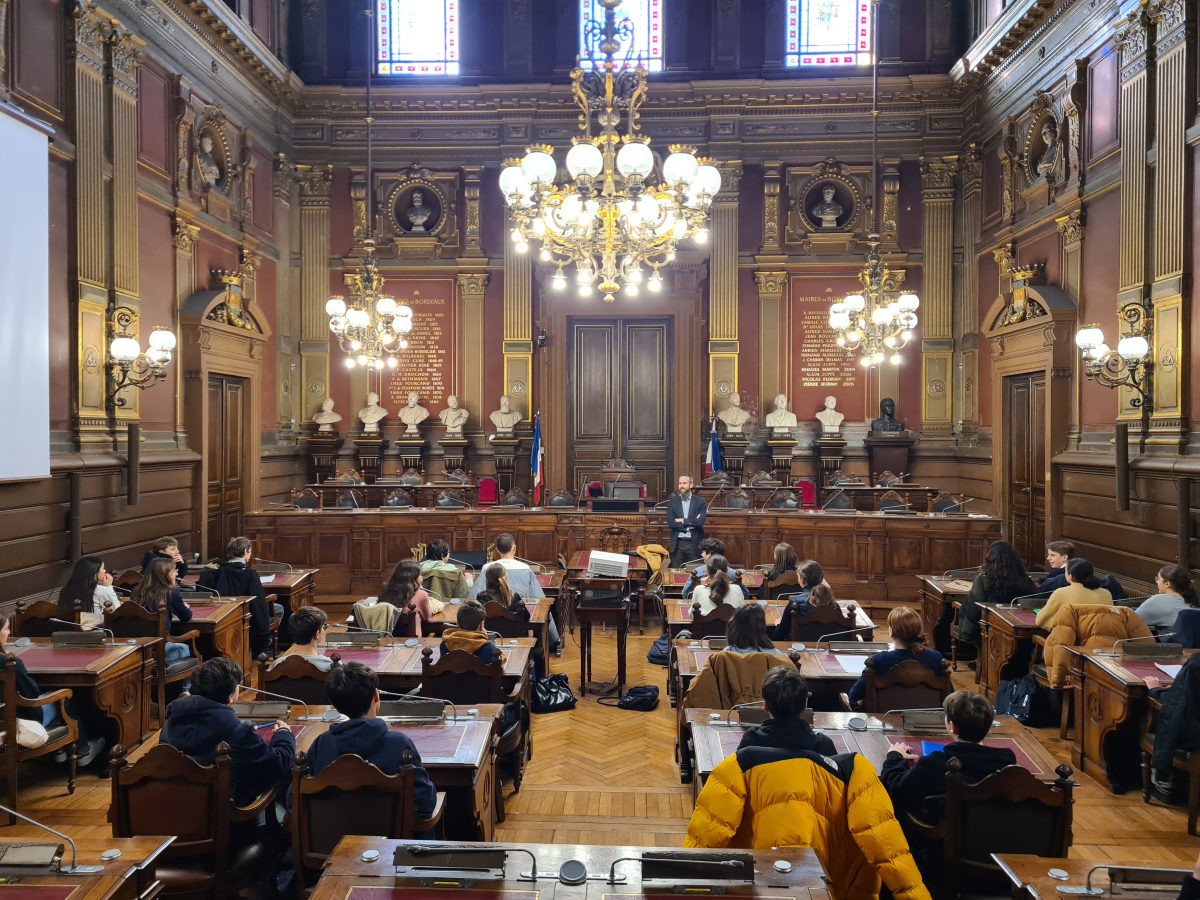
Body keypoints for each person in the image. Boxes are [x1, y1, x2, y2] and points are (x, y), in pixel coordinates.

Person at [685, 667, 929, 900]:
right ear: (805, 706)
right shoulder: (836, 759)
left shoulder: (744, 757)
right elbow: (887, 845)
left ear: (765, 706)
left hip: (759, 872)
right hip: (827, 872)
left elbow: (708, 833)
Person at [162, 657, 295, 806]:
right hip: (228, 819)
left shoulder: (170, 723)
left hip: (175, 812)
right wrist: (283, 734)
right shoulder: (237, 731)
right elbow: (279, 765)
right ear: (230, 696)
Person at [306, 662, 436, 810]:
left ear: (335, 706)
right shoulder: (400, 745)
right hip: (390, 834)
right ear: (375, 695)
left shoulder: (321, 745)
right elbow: (425, 803)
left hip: (330, 833)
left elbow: (295, 800)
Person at [880, 691, 1016, 825]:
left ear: (952, 726)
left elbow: (897, 787)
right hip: (989, 835)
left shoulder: (937, 762)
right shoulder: (1005, 760)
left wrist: (894, 756)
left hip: (939, 840)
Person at [0, 612, 105, 765]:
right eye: (6, 628)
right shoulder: (10, 663)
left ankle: (60, 750)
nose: (9, 633)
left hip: (2, 716)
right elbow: (32, 695)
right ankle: (83, 750)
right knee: (66, 696)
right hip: (24, 720)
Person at [467, 533, 560, 652]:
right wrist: (554, 640)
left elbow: (472, 599)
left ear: (497, 550)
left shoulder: (488, 568)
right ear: (514, 548)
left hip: (489, 636)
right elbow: (541, 601)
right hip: (517, 633)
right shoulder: (525, 569)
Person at [847, 607, 944, 708]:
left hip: (886, 721)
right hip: (927, 721)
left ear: (891, 631)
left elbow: (853, 698)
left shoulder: (878, 661)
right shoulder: (936, 657)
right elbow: (948, 696)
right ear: (919, 631)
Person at [197, 536, 275, 658]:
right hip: (245, 620)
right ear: (245, 552)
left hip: (220, 617)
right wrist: (264, 633)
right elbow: (258, 604)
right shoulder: (250, 575)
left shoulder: (214, 572)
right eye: (250, 552)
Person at [954, 541, 1037, 644]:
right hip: (1020, 633)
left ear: (990, 559)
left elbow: (973, 609)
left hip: (988, 632)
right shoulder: (1026, 581)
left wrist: (967, 632)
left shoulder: (983, 580)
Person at [134, 558, 194, 663]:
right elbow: (186, 617)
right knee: (190, 647)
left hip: (139, 648)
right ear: (165, 574)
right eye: (174, 571)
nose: (176, 574)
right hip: (162, 648)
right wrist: (183, 606)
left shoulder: (136, 591)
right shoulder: (170, 592)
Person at [1034, 557, 1113, 628]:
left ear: (1070, 576)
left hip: (1070, 642)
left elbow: (1040, 621)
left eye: (1065, 571)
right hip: (1099, 641)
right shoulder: (1106, 594)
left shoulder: (1061, 593)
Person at [1039, 539, 1127, 601]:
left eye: (1052, 555)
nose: (1048, 558)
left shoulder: (1057, 578)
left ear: (1065, 557)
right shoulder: (1104, 592)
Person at [380, 559, 441, 638]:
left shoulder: (385, 590)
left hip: (388, 639)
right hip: (413, 642)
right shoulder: (422, 595)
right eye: (419, 575)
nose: (422, 577)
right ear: (414, 578)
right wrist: (420, 587)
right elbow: (427, 617)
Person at [771, 560, 829, 641]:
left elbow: (778, 636)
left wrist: (778, 626)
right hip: (825, 648)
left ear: (803, 580)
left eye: (798, 577)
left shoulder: (795, 603)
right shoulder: (832, 603)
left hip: (798, 649)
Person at [1136, 565, 1199, 636]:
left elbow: (1130, 623)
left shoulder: (1157, 601)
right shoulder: (1194, 601)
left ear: (1167, 583)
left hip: (1170, 646)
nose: (1157, 582)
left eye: (1158, 578)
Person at [59, 556, 121, 628]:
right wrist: (109, 587)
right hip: (94, 633)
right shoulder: (101, 590)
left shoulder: (64, 590)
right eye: (103, 568)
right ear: (94, 573)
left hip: (66, 633)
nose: (105, 571)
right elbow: (118, 613)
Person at [269, 606, 332, 672]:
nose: (324, 630)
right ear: (317, 633)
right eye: (323, 627)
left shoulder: (277, 664)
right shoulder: (331, 665)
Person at [666, 474, 708, 568]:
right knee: (675, 573)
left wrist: (683, 521)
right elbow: (671, 523)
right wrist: (688, 526)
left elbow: (700, 522)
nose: (681, 486)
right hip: (678, 544)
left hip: (694, 544)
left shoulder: (701, 502)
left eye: (684, 483)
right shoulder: (672, 502)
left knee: (695, 573)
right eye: (680, 483)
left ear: (691, 485)